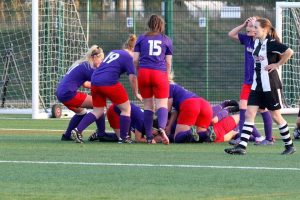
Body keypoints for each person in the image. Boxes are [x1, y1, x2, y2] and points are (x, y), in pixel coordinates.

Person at [225, 18, 296, 155]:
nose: (253, 30)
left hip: (270, 85)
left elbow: (289, 52)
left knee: (276, 116)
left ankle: (289, 146)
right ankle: (242, 147)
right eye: (253, 27)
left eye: (256, 27)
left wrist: (277, 64)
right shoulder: (256, 42)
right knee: (249, 113)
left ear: (265, 30)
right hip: (257, 85)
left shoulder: (272, 43)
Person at [71, 34, 142, 144]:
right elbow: (133, 77)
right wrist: (136, 93)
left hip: (95, 80)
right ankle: (124, 138)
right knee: (126, 108)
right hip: (109, 82)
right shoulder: (129, 57)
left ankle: (78, 130)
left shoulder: (114, 52)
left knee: (97, 111)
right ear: (133, 48)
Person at [228, 16, 273, 145]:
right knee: (243, 107)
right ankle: (242, 138)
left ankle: (269, 139)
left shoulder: (263, 42)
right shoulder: (247, 40)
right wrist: (243, 24)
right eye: (248, 25)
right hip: (248, 81)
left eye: (252, 25)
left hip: (259, 81)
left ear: (258, 29)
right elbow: (231, 34)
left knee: (262, 109)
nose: (249, 27)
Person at [133, 14, 172, 144]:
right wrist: (166, 76)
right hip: (159, 73)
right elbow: (168, 63)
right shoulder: (166, 40)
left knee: (148, 105)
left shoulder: (141, 38)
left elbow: (135, 60)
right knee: (162, 104)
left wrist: (140, 71)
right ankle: (161, 128)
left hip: (144, 73)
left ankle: (149, 136)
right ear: (161, 25)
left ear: (149, 24)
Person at [56, 45, 105, 141]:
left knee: (81, 112)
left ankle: (67, 135)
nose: (101, 62)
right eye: (101, 59)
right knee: (99, 105)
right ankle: (101, 133)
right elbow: (100, 83)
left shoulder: (82, 64)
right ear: (95, 57)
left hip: (61, 92)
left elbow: (86, 84)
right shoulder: (89, 67)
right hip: (68, 93)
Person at [96, 103, 166, 143]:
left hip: (123, 112)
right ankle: (100, 135)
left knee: (126, 136)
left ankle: (100, 134)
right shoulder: (142, 122)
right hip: (114, 112)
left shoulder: (146, 122)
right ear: (153, 128)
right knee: (123, 138)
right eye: (157, 132)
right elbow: (138, 139)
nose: (155, 135)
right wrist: (154, 140)